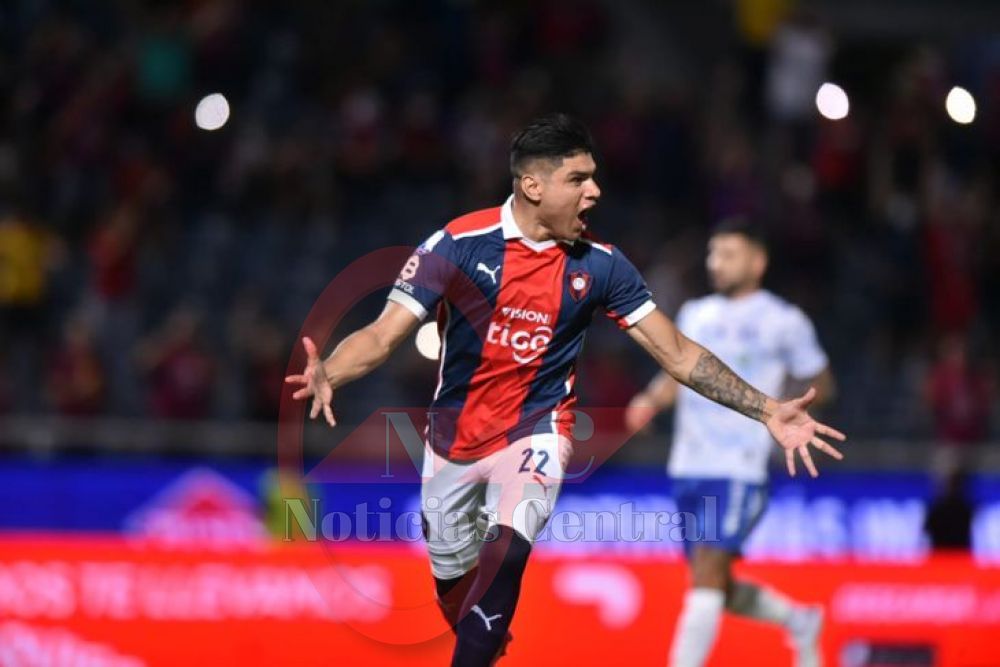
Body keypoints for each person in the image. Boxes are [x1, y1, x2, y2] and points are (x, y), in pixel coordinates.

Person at [287, 114, 845, 666]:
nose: (595, 192)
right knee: (459, 602)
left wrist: (768, 409)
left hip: (538, 431)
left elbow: (677, 353)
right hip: (452, 442)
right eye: (578, 179)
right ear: (533, 186)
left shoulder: (602, 266)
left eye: (594, 177)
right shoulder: (457, 244)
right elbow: (384, 335)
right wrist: (330, 371)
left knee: (508, 550)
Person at [625, 218, 837, 667]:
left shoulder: (784, 321)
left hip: (741, 465)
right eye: (712, 253)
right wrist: (649, 400)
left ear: (757, 262)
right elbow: (677, 370)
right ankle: (800, 621)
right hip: (689, 465)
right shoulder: (696, 313)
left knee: (706, 576)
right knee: (714, 585)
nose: (715, 263)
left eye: (728, 254)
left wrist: (800, 411)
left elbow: (821, 379)